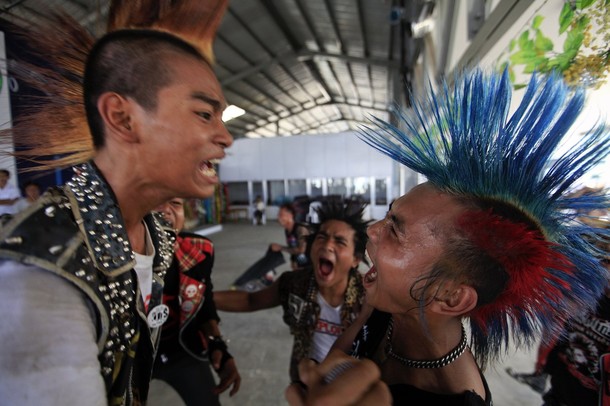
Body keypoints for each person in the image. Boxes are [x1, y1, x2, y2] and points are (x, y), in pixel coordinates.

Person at [289, 69, 610, 405]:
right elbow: (344, 349)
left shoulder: (455, 397)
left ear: (451, 297)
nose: (371, 229)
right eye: (389, 214)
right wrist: (328, 374)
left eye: (396, 228)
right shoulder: (391, 306)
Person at [0, 1, 232, 404]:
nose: (225, 137)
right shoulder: (38, 272)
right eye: (204, 113)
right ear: (122, 118)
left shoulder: (157, 234)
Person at [215, 200, 370, 382]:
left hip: (352, 390)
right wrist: (199, 297)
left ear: (356, 259)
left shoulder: (369, 296)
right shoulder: (294, 284)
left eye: (340, 241)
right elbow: (250, 300)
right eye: (321, 237)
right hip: (304, 386)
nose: (327, 245)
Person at [152, 197, 241, 405]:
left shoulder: (198, 250)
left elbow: (204, 304)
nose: (166, 210)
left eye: (175, 203)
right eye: (157, 200)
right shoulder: (114, 262)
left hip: (182, 350)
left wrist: (218, 346)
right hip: (131, 357)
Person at [270, 202, 311, 270]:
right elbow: (292, 247)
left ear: (290, 215)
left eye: (281, 215)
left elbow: (301, 250)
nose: (278, 218)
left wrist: (280, 248)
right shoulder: (287, 230)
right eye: (278, 215)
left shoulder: (300, 229)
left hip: (311, 265)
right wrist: (293, 260)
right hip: (301, 262)